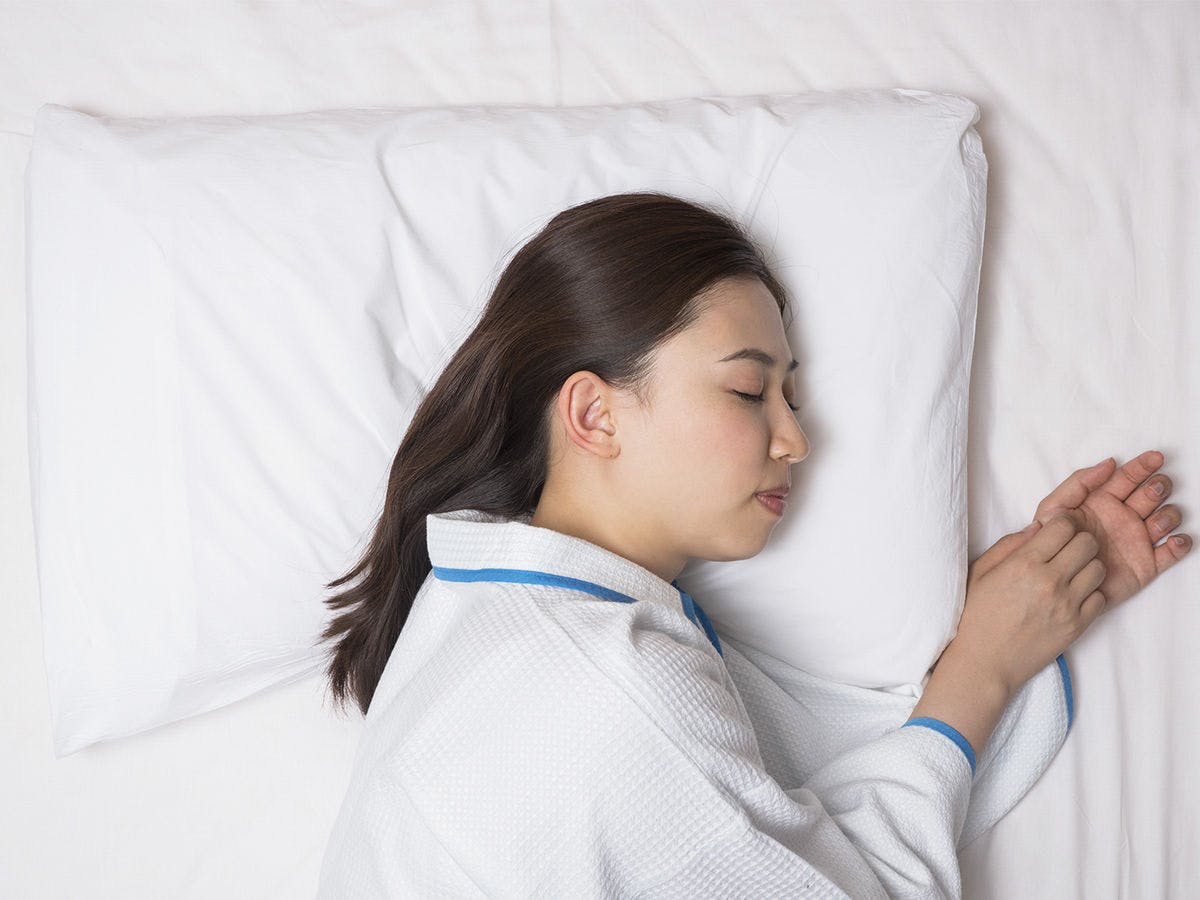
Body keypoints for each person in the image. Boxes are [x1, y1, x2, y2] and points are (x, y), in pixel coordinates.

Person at [313, 191, 1191, 898]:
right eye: (746, 392)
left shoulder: (474, 609)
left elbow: (744, 818)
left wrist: (995, 627)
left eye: (791, 398)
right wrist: (983, 672)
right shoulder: (612, 689)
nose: (795, 440)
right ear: (594, 414)